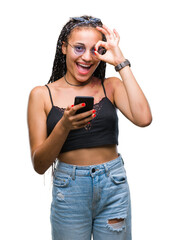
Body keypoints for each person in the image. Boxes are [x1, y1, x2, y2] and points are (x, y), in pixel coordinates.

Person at [27, 15, 152, 240]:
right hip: (70, 189)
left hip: (113, 184)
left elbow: (143, 118)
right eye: (78, 48)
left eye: (94, 50)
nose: (86, 57)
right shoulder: (41, 95)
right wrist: (64, 126)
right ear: (63, 47)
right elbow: (39, 164)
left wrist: (120, 61)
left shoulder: (111, 86)